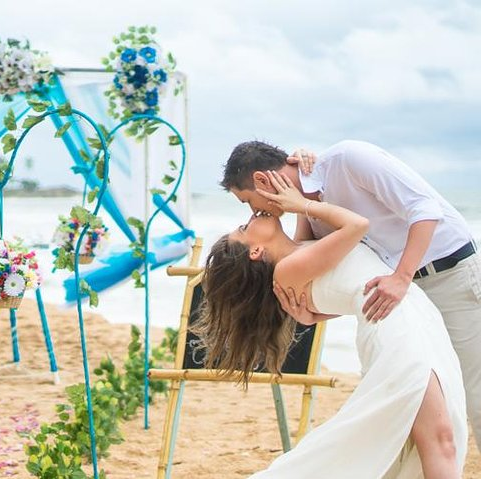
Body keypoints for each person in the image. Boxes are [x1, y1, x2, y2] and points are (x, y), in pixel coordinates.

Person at [195, 171, 467, 477]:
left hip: (412, 320)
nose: (251, 216)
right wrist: (300, 206)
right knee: (439, 439)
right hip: (396, 330)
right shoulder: (287, 270)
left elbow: (352, 288)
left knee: (431, 439)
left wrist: (302, 178)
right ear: (256, 251)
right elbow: (356, 225)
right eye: (245, 228)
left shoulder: (300, 250)